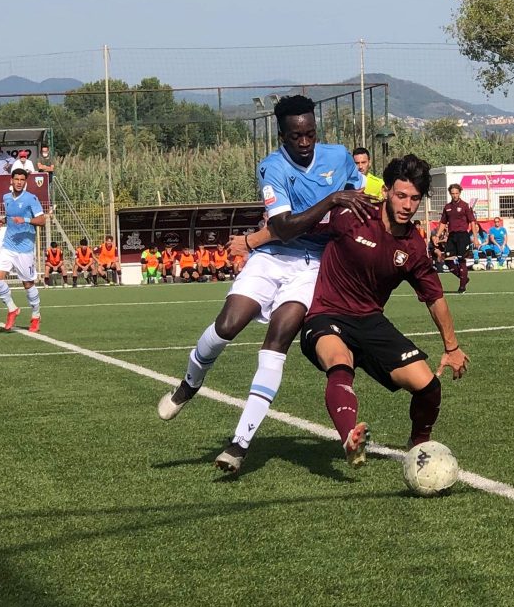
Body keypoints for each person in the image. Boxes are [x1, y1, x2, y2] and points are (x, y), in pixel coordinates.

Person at [156, 94, 370, 475]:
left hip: (313, 268)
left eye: (310, 134)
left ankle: (239, 444)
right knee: (227, 326)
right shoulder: (272, 168)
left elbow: (361, 196)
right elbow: (284, 227)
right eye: (296, 136)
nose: (304, 143)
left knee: (277, 342)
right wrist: (331, 201)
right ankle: (190, 384)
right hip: (273, 257)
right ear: (282, 135)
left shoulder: (338, 157)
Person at [299, 154, 468, 466]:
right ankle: (350, 438)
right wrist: (254, 240)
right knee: (340, 362)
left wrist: (452, 347)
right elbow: (298, 226)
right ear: (387, 191)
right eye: (401, 196)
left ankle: (419, 447)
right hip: (326, 315)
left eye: (414, 199)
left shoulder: (414, 247)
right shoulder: (352, 215)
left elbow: (434, 297)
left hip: (369, 322)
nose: (407, 205)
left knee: (428, 386)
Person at [0, 168, 46, 332]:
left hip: (25, 249)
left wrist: (26, 219)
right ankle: (12, 309)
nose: (19, 182)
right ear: (11, 180)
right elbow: (10, 216)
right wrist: (3, 220)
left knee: (28, 284)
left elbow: (42, 220)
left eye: (22, 180)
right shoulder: (6, 197)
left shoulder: (31, 199)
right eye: (16, 179)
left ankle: (36, 315)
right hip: (8, 245)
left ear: (25, 182)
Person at [436, 183, 475, 292]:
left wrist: (475, 238)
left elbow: (472, 222)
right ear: (450, 193)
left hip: (463, 235)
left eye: (456, 193)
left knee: (462, 260)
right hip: (452, 236)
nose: (454, 195)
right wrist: (437, 235)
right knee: (448, 260)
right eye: (452, 193)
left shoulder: (465, 206)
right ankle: (463, 278)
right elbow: (443, 222)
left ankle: (462, 287)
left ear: (460, 193)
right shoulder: (447, 207)